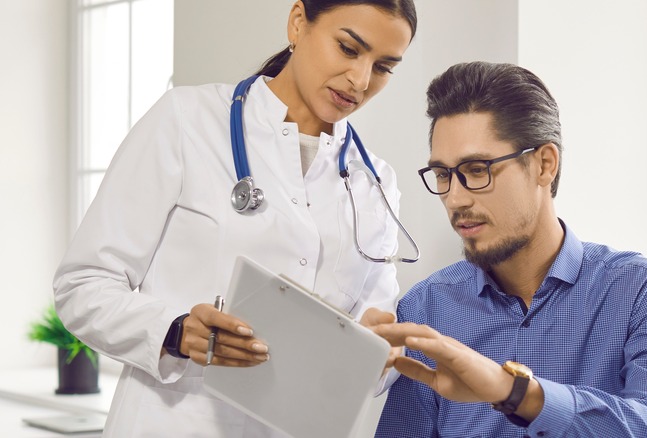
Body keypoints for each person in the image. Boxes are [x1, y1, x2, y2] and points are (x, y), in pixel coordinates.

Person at [52, 1, 417, 436]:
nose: (360, 80)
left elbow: (377, 350)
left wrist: (375, 352)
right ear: (298, 22)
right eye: (348, 48)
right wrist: (174, 331)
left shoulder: (375, 181)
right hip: (173, 422)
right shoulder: (186, 120)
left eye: (384, 67)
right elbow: (82, 286)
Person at [373, 61, 647, 437]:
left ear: (545, 164)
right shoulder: (425, 307)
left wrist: (514, 392)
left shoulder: (639, 289)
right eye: (444, 175)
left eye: (477, 169)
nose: (455, 199)